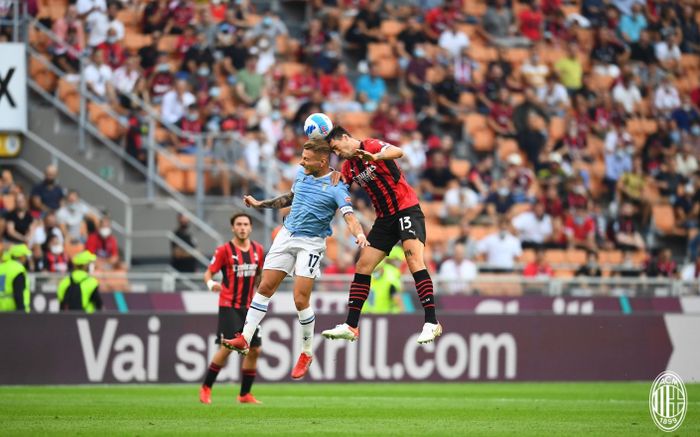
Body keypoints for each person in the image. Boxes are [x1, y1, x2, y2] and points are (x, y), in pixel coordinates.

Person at [222, 140, 368, 381]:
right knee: (265, 287)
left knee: (300, 299)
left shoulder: (336, 186)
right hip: (286, 234)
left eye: (306, 158)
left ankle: (307, 352)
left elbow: (349, 216)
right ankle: (244, 338)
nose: (301, 162)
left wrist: (360, 234)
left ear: (322, 162)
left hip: (311, 242)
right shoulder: (302, 173)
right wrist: (262, 204)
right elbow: (291, 197)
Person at [322, 126, 442, 344]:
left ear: (346, 138)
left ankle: (431, 322)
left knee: (414, 259)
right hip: (385, 219)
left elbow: (398, 151)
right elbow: (340, 193)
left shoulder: (371, 145)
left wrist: (375, 156)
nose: (337, 154)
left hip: (406, 209)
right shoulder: (348, 167)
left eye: (337, 148)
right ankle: (351, 325)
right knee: (363, 265)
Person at [200, 213, 265, 405]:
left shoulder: (258, 250)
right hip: (229, 305)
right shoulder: (223, 250)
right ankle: (206, 387)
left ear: (251, 227)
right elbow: (208, 272)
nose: (242, 227)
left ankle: (245, 394)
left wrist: (263, 291)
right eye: (239, 224)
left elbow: (260, 274)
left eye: (246, 224)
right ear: (233, 228)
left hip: (250, 308)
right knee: (227, 348)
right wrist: (211, 284)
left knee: (255, 350)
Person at [365, 246, 405, 314]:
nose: (399, 263)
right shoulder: (392, 271)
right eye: (398, 260)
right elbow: (396, 291)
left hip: (368, 313)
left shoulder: (378, 268)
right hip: (384, 312)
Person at [0, 244, 31, 312]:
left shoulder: (1, 267)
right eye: (25, 257)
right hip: (13, 312)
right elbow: (18, 294)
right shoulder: (18, 269)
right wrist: (22, 313)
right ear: (21, 257)